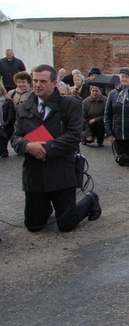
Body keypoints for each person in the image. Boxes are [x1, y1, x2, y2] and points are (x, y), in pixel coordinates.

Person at [11, 65, 101, 232]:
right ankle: (45, 206)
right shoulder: (23, 107)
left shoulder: (70, 104)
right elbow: (15, 137)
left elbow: (74, 135)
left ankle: (90, 199)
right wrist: (27, 145)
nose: (37, 85)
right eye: (35, 80)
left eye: (42, 81)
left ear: (54, 83)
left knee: (66, 225)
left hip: (61, 171)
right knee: (34, 226)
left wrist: (46, 148)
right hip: (35, 174)